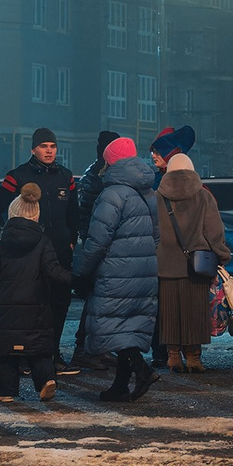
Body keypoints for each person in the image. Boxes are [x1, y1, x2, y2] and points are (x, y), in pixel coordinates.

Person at [71, 136, 160, 401]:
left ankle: (143, 370)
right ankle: (120, 386)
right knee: (128, 328)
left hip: (115, 272)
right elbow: (156, 236)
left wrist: (82, 270)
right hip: (143, 271)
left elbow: (98, 240)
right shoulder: (148, 192)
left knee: (110, 327)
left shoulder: (111, 194)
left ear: (111, 162)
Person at [0, 128, 78, 365]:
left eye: (53, 146)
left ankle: (52, 353)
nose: (49, 151)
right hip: (29, 254)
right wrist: (7, 237)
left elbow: (74, 214)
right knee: (31, 306)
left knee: (59, 305)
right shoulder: (18, 176)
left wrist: (71, 240)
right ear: (33, 149)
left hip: (60, 253)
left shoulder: (66, 177)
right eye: (43, 146)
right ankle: (28, 356)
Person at [0, 182, 73, 403]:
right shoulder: (43, 241)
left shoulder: (3, 243)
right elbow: (53, 271)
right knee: (38, 346)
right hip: (36, 302)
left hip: (9, 304)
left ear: (12, 214)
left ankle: (4, 392)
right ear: (36, 215)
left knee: (7, 350)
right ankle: (46, 380)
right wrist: (76, 279)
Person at [153, 150, 230, 373]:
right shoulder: (203, 196)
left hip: (165, 264)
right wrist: (222, 255)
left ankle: (173, 356)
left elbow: (152, 231)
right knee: (195, 311)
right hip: (198, 264)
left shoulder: (157, 197)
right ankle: (194, 358)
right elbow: (214, 231)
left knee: (169, 311)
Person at [70, 130, 120, 370]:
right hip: (99, 245)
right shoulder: (99, 177)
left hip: (98, 243)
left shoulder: (97, 174)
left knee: (101, 301)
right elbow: (93, 216)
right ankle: (83, 350)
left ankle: (97, 349)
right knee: (95, 301)